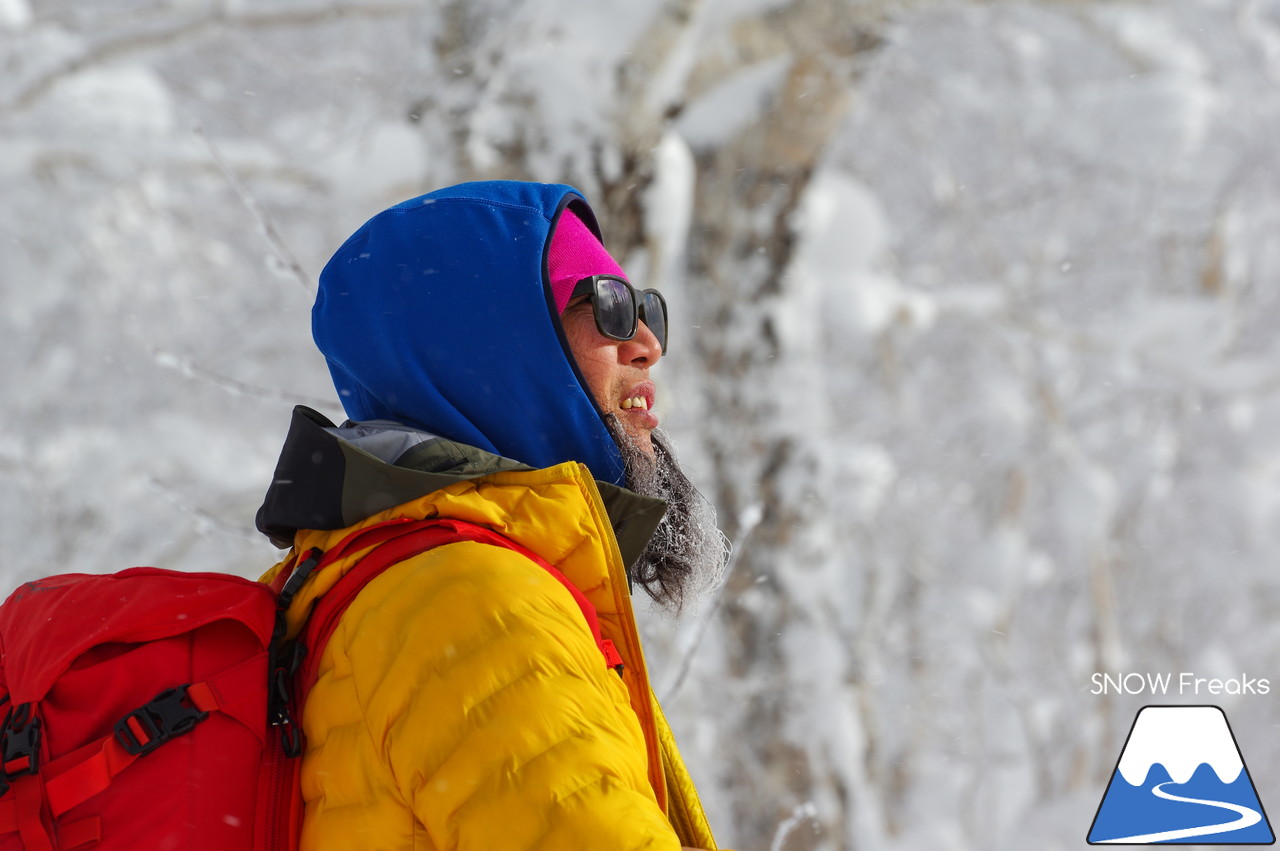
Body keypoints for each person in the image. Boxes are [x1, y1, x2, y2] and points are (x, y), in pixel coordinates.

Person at [255, 180, 731, 850]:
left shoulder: (382, 578)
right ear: (496, 337)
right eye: (610, 305)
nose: (648, 342)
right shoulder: (472, 601)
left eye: (647, 306)